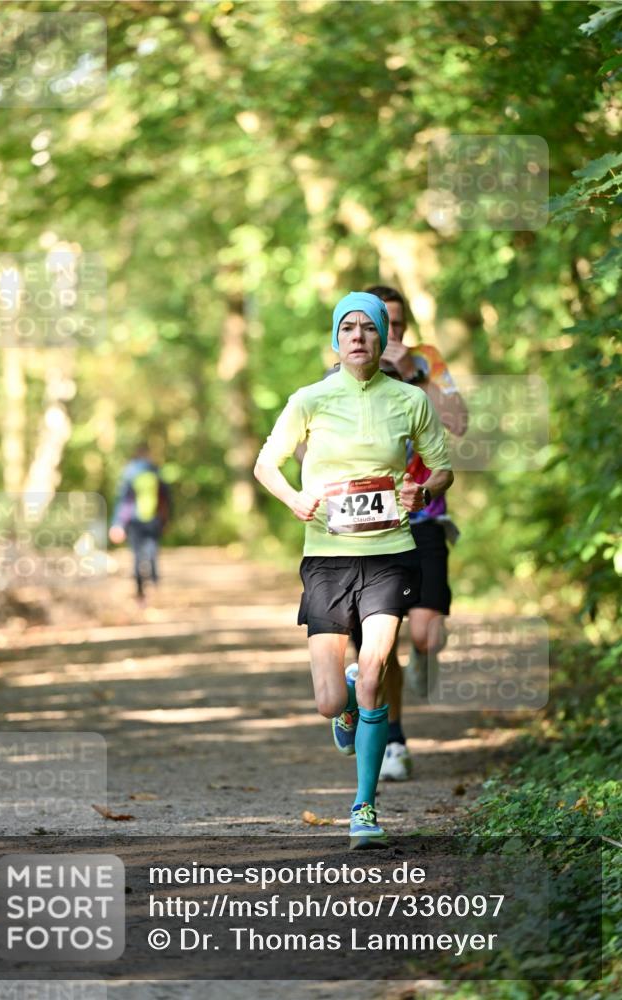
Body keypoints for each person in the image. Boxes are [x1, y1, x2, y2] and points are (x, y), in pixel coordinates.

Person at [254, 292, 453, 848]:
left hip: (391, 553)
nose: (359, 336)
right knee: (331, 701)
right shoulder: (310, 399)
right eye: (349, 328)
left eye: (369, 328)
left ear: (384, 337)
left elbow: (443, 469)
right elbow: (265, 463)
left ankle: (363, 809)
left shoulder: (410, 400)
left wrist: (421, 487)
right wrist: (294, 499)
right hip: (327, 557)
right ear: (335, 340)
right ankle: (344, 704)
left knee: (374, 674)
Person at [345, 285, 468, 781]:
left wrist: (415, 373)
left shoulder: (427, 361)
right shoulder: (349, 364)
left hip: (425, 519)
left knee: (425, 635)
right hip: (371, 529)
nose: (388, 333)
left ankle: (426, 652)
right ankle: (393, 739)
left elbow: (458, 423)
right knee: (380, 642)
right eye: (379, 323)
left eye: (396, 325)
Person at [108, 443, 172, 604]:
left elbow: (123, 501)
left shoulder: (129, 473)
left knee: (137, 557)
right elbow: (167, 499)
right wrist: (167, 519)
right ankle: (156, 587)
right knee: (152, 553)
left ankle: (140, 594)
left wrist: (117, 523)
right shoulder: (156, 471)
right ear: (148, 455)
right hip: (154, 519)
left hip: (134, 521)